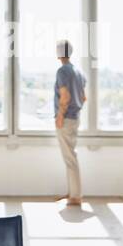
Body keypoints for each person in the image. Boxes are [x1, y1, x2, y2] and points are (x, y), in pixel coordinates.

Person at [54, 39, 86, 205]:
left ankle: (76, 197)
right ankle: (72, 193)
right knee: (70, 156)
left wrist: (59, 116)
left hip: (66, 119)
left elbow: (65, 97)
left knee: (69, 158)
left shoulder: (62, 72)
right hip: (75, 118)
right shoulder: (78, 72)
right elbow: (83, 97)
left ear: (59, 53)